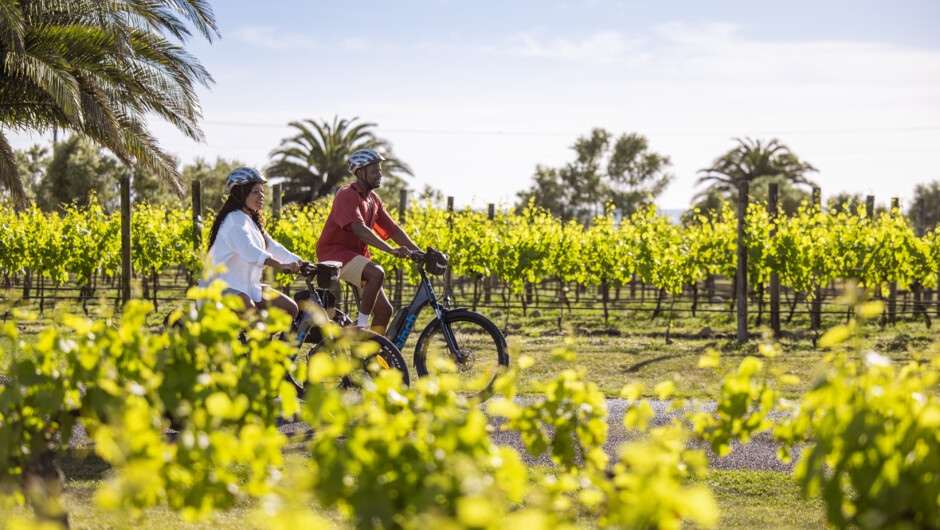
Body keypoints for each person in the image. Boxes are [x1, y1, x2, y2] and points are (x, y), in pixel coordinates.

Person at [316, 149, 421, 334]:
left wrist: (420, 252)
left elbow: (393, 229)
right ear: (360, 172)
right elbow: (358, 229)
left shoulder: (373, 200)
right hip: (336, 256)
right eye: (374, 170)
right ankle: (362, 327)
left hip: (355, 257)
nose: (379, 174)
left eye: (380, 170)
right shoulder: (347, 194)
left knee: (384, 311)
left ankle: (370, 358)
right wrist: (391, 250)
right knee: (376, 273)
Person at [200, 167, 303, 318]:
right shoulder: (234, 220)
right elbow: (250, 251)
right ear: (241, 194)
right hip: (221, 288)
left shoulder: (251, 221)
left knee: (290, 309)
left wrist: (300, 262)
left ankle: (267, 340)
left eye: (262, 191)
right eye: (255, 191)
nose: (261, 196)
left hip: (245, 287)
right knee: (257, 322)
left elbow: (272, 246)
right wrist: (281, 265)